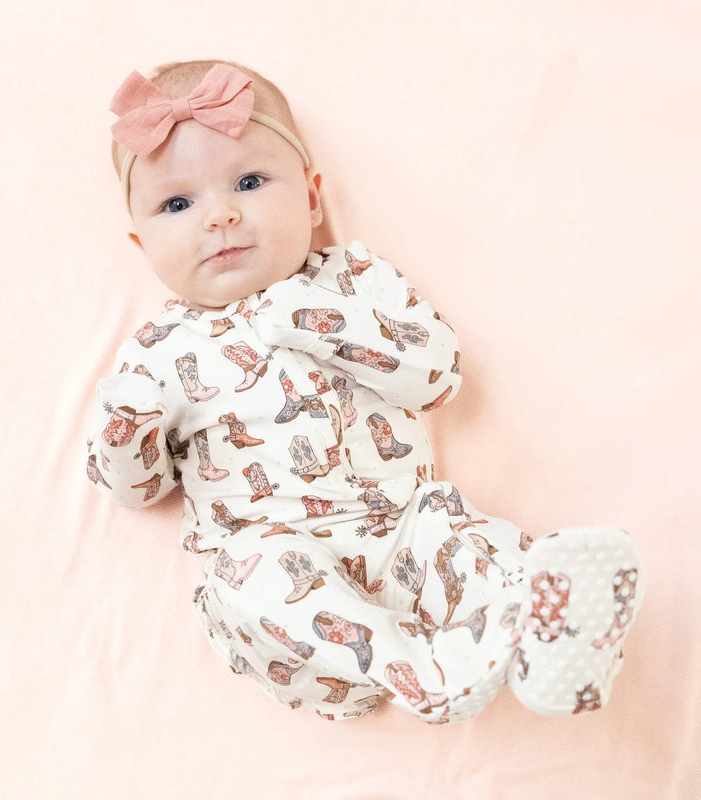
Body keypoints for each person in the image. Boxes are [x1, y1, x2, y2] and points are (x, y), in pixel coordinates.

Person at [86, 59, 643, 723]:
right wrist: (125, 428)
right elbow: (137, 491)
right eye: (178, 204)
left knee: (460, 531)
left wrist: (327, 325)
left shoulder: (355, 281)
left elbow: (437, 378)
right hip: (299, 617)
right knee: (243, 569)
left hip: (403, 534)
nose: (222, 215)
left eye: (250, 181)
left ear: (313, 198)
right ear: (139, 240)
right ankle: (423, 673)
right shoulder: (155, 353)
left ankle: (548, 645)